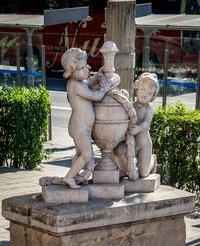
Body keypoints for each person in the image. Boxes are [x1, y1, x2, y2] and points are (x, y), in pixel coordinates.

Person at [61, 47, 113, 188]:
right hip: (79, 128)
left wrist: (98, 75)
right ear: (72, 71)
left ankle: (75, 175)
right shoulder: (75, 85)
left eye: (86, 66)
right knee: (87, 154)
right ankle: (69, 177)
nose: (86, 70)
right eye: (82, 68)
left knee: (79, 154)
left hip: (83, 127)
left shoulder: (80, 82)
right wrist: (105, 89)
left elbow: (89, 82)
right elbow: (95, 96)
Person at [114, 72, 159, 178]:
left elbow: (146, 124)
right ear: (137, 89)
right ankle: (124, 169)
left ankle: (152, 161)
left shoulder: (148, 110)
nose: (145, 95)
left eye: (149, 93)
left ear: (153, 96)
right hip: (130, 142)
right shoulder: (131, 105)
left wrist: (138, 128)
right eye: (142, 90)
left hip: (143, 144)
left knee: (143, 173)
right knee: (118, 150)